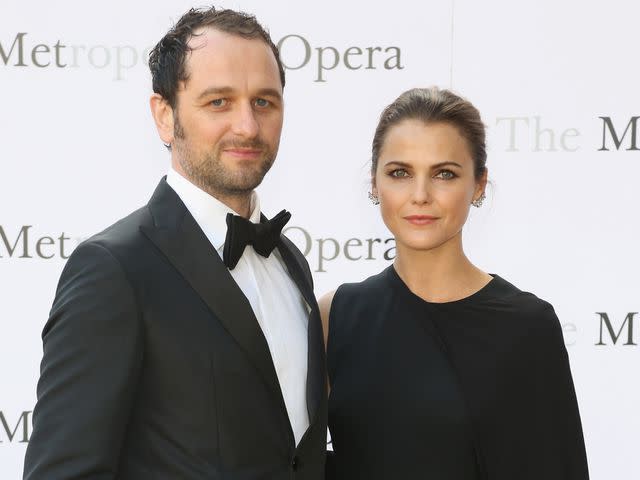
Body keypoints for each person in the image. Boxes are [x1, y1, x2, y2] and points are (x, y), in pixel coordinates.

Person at [23, 7, 327, 479]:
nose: (247, 126)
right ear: (164, 115)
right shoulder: (114, 270)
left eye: (264, 101)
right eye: (219, 102)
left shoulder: (291, 263)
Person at [320, 87, 589, 479]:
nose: (420, 195)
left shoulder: (527, 326)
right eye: (400, 173)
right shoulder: (336, 316)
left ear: (478, 185)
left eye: (444, 174)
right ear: (375, 184)